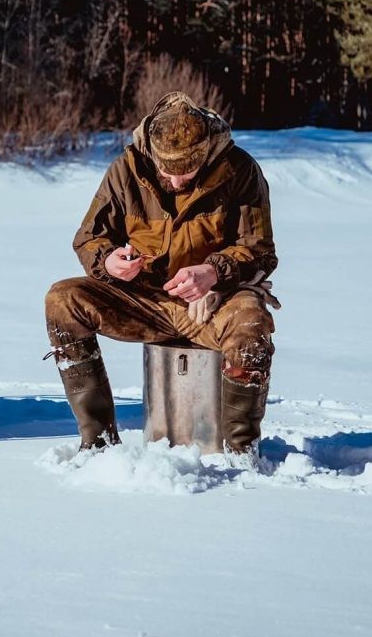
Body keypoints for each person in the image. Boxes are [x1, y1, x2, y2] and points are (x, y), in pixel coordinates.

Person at [44, 90, 279, 457]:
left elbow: (260, 251)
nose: (176, 180)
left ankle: (241, 453)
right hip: (144, 300)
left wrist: (213, 273)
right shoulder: (126, 169)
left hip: (214, 304)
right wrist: (108, 261)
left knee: (252, 326)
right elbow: (89, 238)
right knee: (63, 300)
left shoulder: (239, 170)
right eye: (168, 171)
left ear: (206, 154)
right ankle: (98, 442)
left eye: (187, 172)